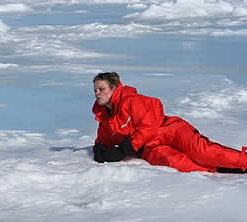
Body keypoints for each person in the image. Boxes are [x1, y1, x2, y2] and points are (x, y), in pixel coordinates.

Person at [92, 72, 247, 173]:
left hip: (170, 130)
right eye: (95, 90)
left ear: (114, 88)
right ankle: (225, 169)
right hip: (151, 148)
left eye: (101, 89)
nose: (97, 93)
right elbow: (102, 141)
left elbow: (151, 120)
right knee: (177, 163)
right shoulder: (104, 119)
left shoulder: (132, 101)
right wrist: (101, 152)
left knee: (203, 152)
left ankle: (242, 160)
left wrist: (129, 146)